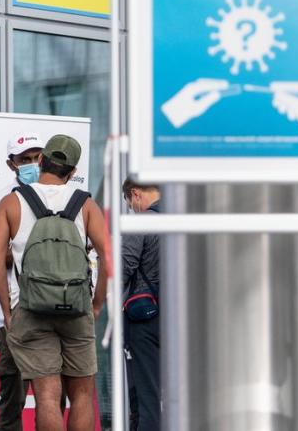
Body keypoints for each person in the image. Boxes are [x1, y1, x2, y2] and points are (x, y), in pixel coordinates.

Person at [0, 134, 109, 431]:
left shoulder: (11, 203)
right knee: (81, 396)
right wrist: (96, 305)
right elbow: (108, 255)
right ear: (73, 171)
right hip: (77, 308)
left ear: (41, 160)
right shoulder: (86, 204)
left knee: (46, 397)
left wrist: (7, 311)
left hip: (30, 309)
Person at [0, 132, 44, 429]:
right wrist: (38, 247)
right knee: (13, 393)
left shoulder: (59, 196)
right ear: (11, 164)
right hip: (14, 307)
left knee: (51, 393)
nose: (33, 164)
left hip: (54, 305)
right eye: (25, 159)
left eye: (37, 157)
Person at [122, 179, 162, 431]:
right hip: (188, 317)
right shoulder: (188, 217)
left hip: (146, 319)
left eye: (130, 204)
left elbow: (123, 267)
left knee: (148, 397)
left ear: (135, 194)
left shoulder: (142, 221)